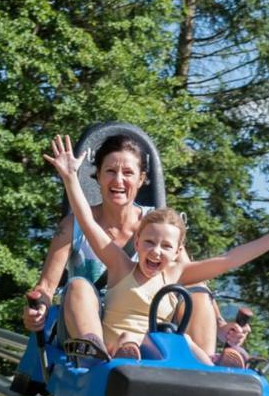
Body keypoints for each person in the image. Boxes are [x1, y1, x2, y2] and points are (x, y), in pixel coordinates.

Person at [43, 134, 269, 363]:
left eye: (165, 247)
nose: (156, 252)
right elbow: (87, 222)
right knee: (82, 289)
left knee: (186, 324)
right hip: (108, 339)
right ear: (136, 243)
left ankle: (215, 365)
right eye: (148, 243)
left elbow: (228, 260)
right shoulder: (119, 265)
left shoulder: (174, 273)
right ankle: (100, 354)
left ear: (177, 252)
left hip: (154, 343)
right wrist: (70, 178)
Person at [22, 132, 232, 357]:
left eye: (128, 173)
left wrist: (221, 324)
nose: (119, 180)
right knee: (78, 285)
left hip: (145, 327)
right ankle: (98, 360)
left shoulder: (157, 227)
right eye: (110, 171)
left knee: (197, 293)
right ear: (98, 176)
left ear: (141, 179)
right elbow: (46, 286)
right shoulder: (75, 225)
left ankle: (203, 368)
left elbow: (192, 277)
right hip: (87, 325)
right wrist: (38, 308)